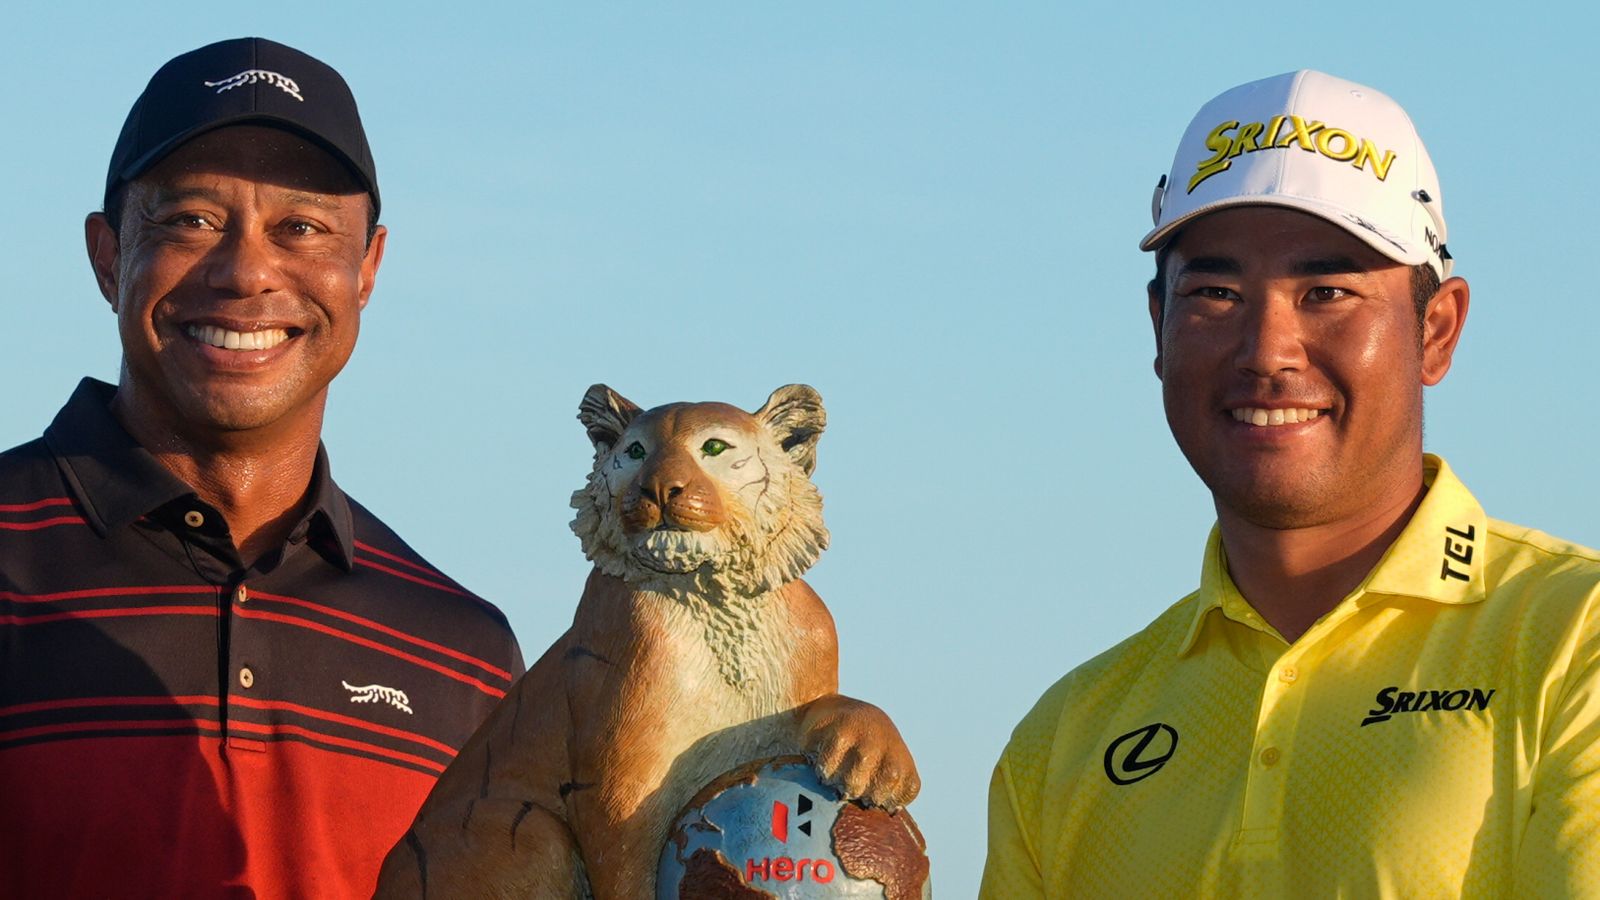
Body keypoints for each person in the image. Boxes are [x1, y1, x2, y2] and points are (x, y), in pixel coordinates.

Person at [982, 69, 1600, 897]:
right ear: (1157, 329)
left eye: (1327, 291)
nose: (1267, 349)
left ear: (1438, 329)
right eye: (1216, 293)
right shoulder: (1065, 737)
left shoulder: (1573, 642)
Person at [0, 38, 523, 899]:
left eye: (303, 227)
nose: (247, 271)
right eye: (191, 220)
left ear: (367, 271)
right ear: (106, 256)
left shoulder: (463, 656)